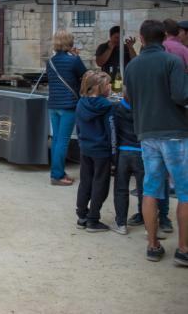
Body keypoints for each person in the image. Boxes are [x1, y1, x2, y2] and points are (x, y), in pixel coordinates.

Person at [123, 19, 188, 265]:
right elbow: (181, 96)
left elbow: (129, 96)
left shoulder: (133, 65)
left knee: (150, 189)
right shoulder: (172, 61)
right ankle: (183, 248)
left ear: (141, 38)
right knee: (184, 191)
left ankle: (152, 244)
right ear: (164, 37)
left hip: (146, 132)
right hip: (174, 132)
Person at [111, 97, 171, 235]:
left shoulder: (117, 108)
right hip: (142, 152)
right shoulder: (145, 108)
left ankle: (121, 224)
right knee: (145, 191)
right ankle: (148, 226)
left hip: (123, 153)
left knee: (120, 189)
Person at [46, 29, 88, 186]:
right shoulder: (74, 60)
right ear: (70, 42)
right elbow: (86, 75)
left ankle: (58, 172)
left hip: (54, 104)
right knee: (63, 141)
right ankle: (57, 175)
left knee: (56, 139)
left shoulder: (50, 61)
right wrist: (77, 57)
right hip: (69, 104)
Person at [74, 70, 114, 233]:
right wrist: (113, 152)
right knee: (100, 183)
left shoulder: (81, 103)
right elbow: (111, 130)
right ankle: (93, 218)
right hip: (101, 150)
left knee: (85, 181)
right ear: (100, 87)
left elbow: (78, 126)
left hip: (85, 148)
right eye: (108, 85)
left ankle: (82, 215)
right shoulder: (107, 106)